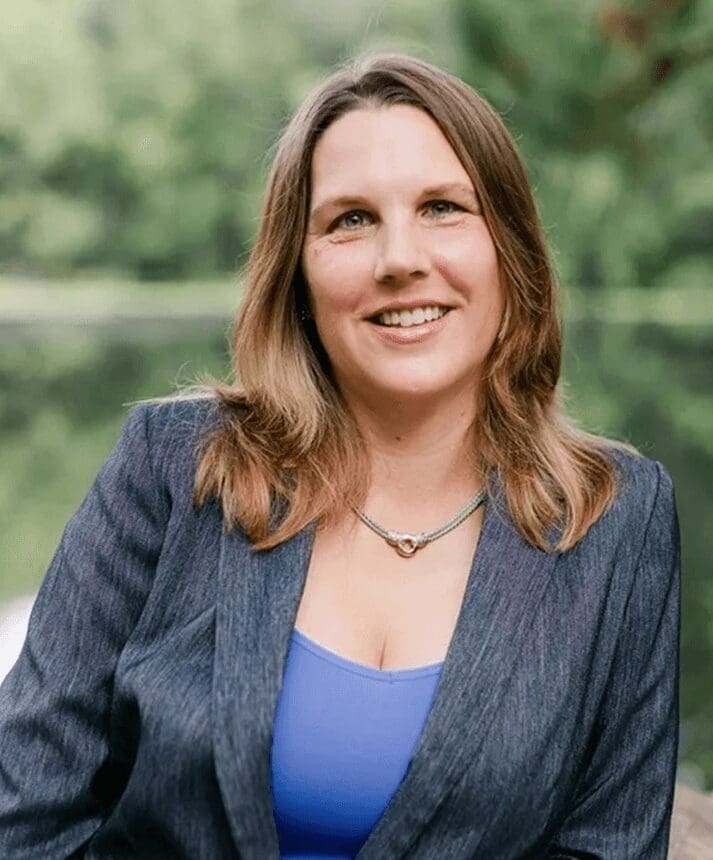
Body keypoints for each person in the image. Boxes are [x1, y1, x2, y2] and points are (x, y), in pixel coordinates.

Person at [0, 53, 680, 859]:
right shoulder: (171, 469)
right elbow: (26, 817)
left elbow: (608, 846)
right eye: (349, 219)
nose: (399, 258)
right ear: (298, 272)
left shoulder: (618, 516)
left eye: (442, 208)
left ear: (511, 251)